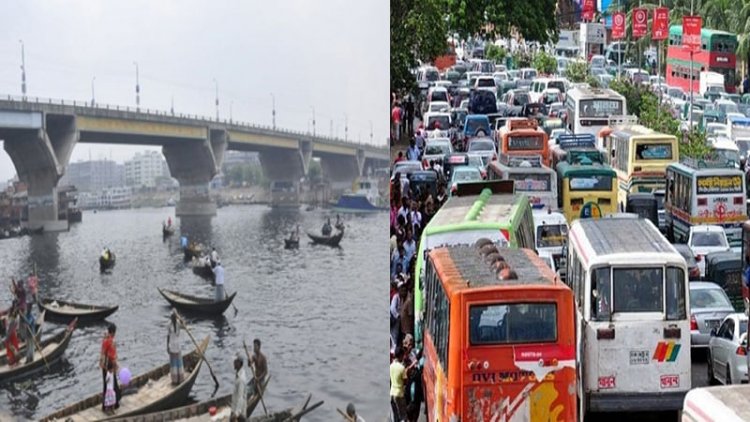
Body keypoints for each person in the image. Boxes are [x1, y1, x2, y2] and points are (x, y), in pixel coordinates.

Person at [99, 323, 120, 411]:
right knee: (112, 385)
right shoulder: (111, 342)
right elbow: (112, 356)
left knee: (106, 385)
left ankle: (105, 405)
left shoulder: (105, 339)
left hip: (104, 366)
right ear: (113, 332)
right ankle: (114, 404)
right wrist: (117, 366)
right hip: (110, 367)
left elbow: (103, 353)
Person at [390, 346, 409, 422]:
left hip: (392, 393)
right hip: (400, 394)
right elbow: (405, 382)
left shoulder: (390, 366)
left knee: (395, 416)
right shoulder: (402, 368)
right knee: (403, 416)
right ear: (401, 355)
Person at [167, 311, 184, 385]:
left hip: (177, 346)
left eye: (173, 317)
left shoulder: (178, 324)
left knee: (178, 363)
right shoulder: (169, 325)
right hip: (172, 346)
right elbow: (167, 336)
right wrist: (167, 346)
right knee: (174, 364)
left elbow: (184, 325)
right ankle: (174, 380)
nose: (172, 318)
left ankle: (180, 379)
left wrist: (179, 317)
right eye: (172, 317)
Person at [231, 353, 248, 421]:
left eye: (235, 362)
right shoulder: (238, 373)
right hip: (235, 408)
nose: (233, 363)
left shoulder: (241, 379)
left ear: (239, 363)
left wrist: (236, 414)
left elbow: (240, 398)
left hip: (239, 413)